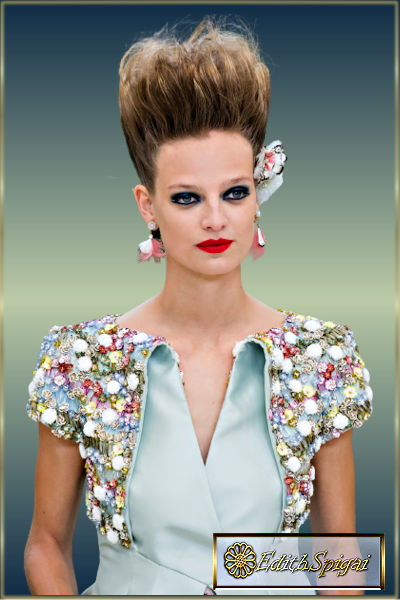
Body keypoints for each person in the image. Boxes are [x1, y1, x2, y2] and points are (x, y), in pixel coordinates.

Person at [24, 16, 373, 596]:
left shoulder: (322, 358)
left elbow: (341, 553)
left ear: (257, 196)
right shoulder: (79, 361)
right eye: (187, 198)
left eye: (234, 192)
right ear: (148, 206)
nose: (215, 218)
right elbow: (45, 545)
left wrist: (262, 574)